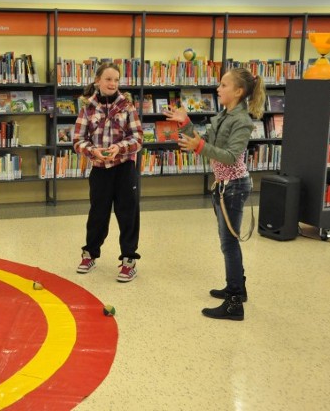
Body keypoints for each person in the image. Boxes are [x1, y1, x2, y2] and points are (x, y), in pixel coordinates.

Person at [163, 67, 265, 321]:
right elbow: (206, 140)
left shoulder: (242, 121)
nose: (218, 89)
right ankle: (237, 289)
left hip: (234, 186)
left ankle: (233, 303)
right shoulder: (224, 114)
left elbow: (230, 156)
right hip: (222, 185)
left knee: (229, 243)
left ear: (238, 91)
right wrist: (185, 124)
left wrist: (199, 145)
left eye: (223, 85)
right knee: (227, 242)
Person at [73, 62, 143, 283]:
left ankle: (128, 260)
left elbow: (138, 138)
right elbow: (77, 141)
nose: (113, 83)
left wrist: (119, 148)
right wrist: (93, 150)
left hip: (125, 169)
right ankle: (89, 255)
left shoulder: (128, 107)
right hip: (100, 170)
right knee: (98, 213)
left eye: (116, 80)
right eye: (108, 79)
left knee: (128, 213)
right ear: (98, 81)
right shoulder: (87, 108)